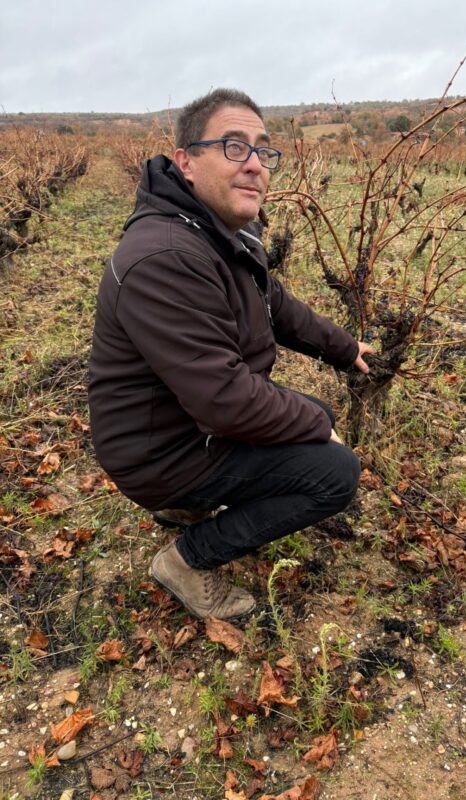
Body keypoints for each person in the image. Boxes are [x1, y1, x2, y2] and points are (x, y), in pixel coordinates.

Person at [88, 88, 373, 619]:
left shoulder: (218, 231)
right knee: (334, 472)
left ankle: (188, 505)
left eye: (263, 151)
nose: (256, 166)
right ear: (186, 162)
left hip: (179, 424)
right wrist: (314, 422)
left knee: (318, 421)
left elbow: (275, 304)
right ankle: (186, 560)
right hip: (157, 451)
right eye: (233, 147)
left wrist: (342, 348)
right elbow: (225, 401)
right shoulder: (165, 257)